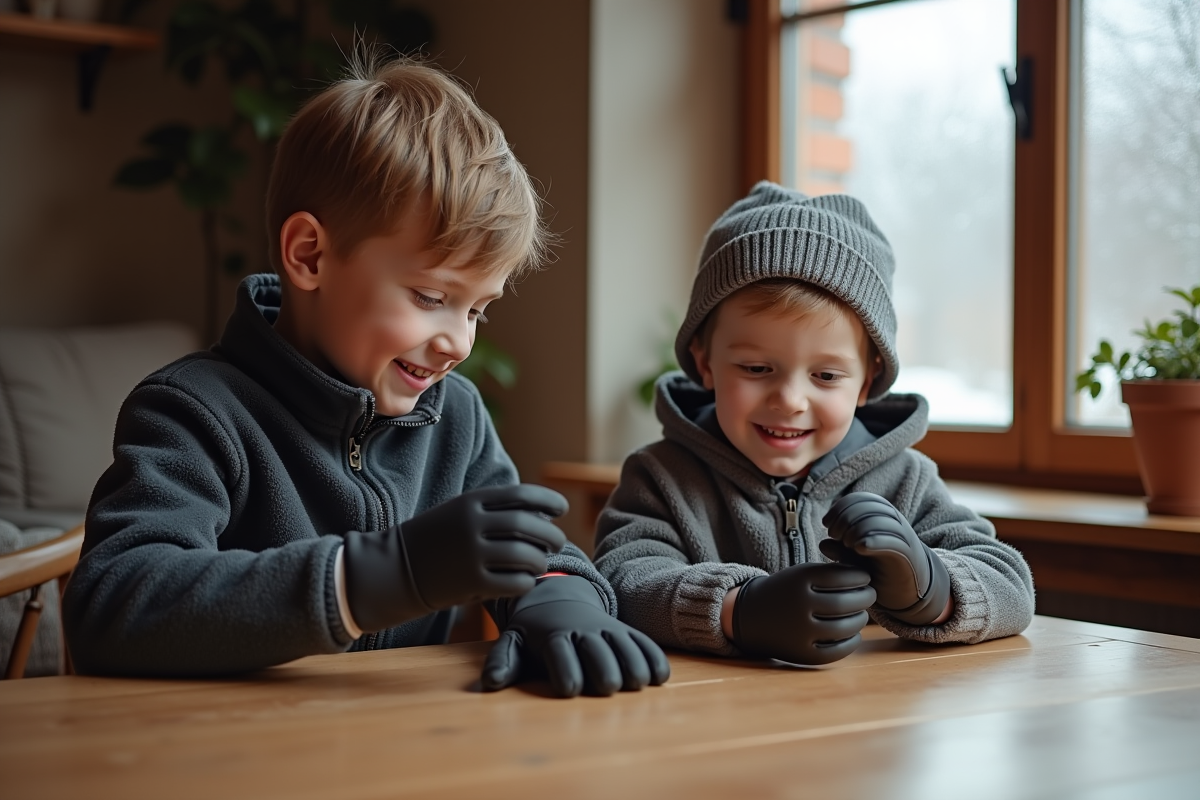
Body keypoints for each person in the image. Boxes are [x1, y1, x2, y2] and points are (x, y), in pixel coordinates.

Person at [62, 54, 669, 698]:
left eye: (478, 311)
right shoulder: (192, 411)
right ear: (311, 255)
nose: (460, 342)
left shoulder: (454, 415)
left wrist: (560, 597)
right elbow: (113, 602)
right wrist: (371, 579)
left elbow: (534, 553)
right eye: (432, 298)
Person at [593, 181, 1034, 666]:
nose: (789, 400)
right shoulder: (661, 478)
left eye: (826, 375)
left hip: (859, 725)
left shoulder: (906, 480)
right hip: (713, 720)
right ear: (705, 365)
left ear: (867, 383)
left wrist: (931, 587)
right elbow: (621, 581)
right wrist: (737, 610)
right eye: (757, 369)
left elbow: (1011, 586)